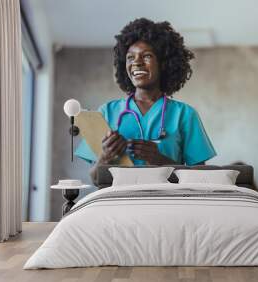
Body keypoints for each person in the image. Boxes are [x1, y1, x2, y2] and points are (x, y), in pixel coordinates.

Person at [74, 18, 216, 181]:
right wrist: (105, 157)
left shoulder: (184, 114)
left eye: (146, 55)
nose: (137, 63)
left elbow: (200, 178)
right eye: (130, 57)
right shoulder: (106, 112)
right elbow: (95, 179)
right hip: (120, 204)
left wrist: (159, 160)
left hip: (168, 203)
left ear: (164, 63)